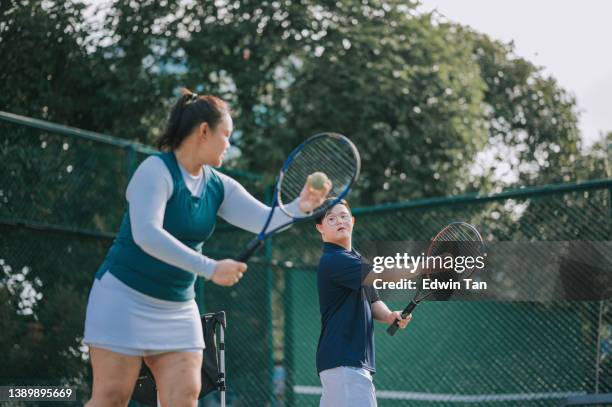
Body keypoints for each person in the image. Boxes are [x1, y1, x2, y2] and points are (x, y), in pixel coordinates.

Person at [83, 89, 328, 407]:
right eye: (226, 134)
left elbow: (265, 221)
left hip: (176, 308)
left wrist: (301, 206)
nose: (229, 144)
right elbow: (147, 234)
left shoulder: (218, 185)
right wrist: (210, 268)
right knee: (111, 399)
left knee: (185, 397)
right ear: (203, 131)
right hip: (122, 298)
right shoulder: (155, 171)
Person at [314, 198, 411, 407]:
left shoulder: (356, 258)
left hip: (344, 366)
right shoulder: (335, 259)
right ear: (320, 228)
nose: (339, 220)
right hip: (345, 364)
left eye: (343, 216)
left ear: (353, 221)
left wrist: (389, 315)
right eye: (331, 218)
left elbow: (373, 301)